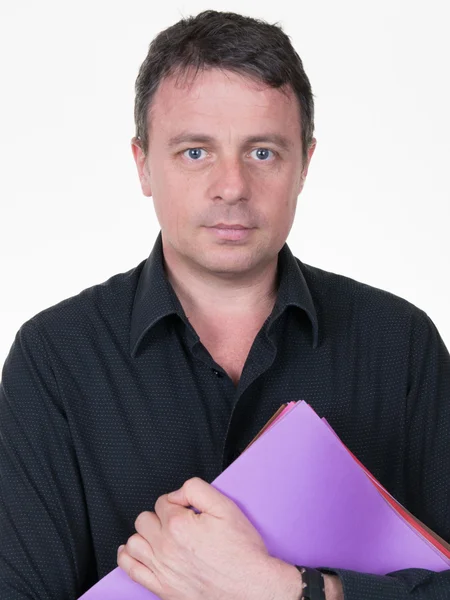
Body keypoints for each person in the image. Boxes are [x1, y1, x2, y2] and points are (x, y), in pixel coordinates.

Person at [1, 8, 449, 600]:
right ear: (143, 165)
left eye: (262, 152)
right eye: (195, 152)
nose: (232, 185)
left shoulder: (401, 343)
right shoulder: (54, 358)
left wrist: (294, 592)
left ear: (305, 166)